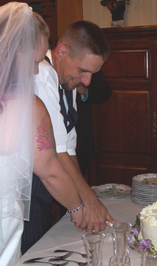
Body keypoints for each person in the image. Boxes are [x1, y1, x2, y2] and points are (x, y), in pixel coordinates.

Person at [0, 3, 88, 265]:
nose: (36, 70)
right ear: (9, 53)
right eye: (34, 61)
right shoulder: (29, 107)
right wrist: (78, 209)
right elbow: (51, 172)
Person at [25, 20, 114, 252]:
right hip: (30, 190)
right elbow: (57, 152)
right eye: (82, 70)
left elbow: (69, 146)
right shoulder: (42, 74)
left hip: (49, 186)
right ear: (62, 52)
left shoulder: (66, 80)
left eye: (92, 74)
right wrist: (87, 203)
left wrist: (88, 200)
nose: (87, 82)